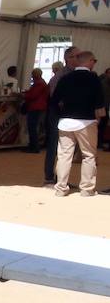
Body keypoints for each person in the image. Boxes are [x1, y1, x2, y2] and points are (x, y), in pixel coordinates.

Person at [51, 50, 105, 198]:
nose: (94, 63)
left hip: (65, 122)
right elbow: (100, 100)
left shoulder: (66, 78)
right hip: (86, 122)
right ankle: (86, 189)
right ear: (89, 61)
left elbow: (54, 100)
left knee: (64, 156)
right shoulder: (94, 79)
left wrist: (60, 116)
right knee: (88, 156)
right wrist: (100, 118)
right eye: (94, 61)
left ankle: (60, 188)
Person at [44, 47, 79, 185]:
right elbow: (54, 96)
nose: (79, 58)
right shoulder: (61, 75)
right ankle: (49, 177)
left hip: (67, 114)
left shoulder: (72, 74)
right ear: (69, 58)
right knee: (54, 145)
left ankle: (60, 179)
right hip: (58, 114)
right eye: (77, 56)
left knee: (68, 147)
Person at [22, 68, 48, 153]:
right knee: (33, 128)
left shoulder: (39, 84)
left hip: (36, 108)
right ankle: (33, 146)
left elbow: (33, 95)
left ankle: (34, 147)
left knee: (32, 128)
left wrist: (23, 95)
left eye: (33, 75)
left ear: (35, 75)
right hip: (38, 108)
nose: (32, 77)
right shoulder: (41, 83)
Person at [98, 67, 110, 151]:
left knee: (102, 127)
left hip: (105, 108)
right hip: (102, 108)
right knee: (100, 127)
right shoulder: (103, 83)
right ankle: (99, 143)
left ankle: (100, 143)